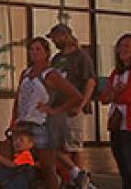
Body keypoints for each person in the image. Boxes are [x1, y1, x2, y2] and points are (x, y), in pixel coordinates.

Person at [11, 37, 82, 189]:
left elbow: (76, 96)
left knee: (47, 165)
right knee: (20, 160)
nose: (34, 53)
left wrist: (55, 110)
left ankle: (68, 178)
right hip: (24, 122)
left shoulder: (50, 74)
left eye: (38, 49)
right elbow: (19, 98)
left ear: (46, 52)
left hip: (41, 123)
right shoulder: (26, 73)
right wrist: (14, 119)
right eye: (32, 49)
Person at [46, 23, 96, 187]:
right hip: (57, 107)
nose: (54, 41)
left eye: (56, 38)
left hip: (73, 108)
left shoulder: (81, 56)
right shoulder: (57, 59)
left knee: (73, 146)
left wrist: (81, 105)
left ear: (65, 35)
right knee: (57, 146)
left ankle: (81, 180)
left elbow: (90, 81)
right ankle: (73, 176)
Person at [101, 34, 131, 189]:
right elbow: (103, 98)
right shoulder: (116, 72)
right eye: (120, 45)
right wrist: (116, 91)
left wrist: (114, 94)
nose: (122, 49)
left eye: (127, 46)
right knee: (124, 168)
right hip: (117, 125)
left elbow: (129, 97)